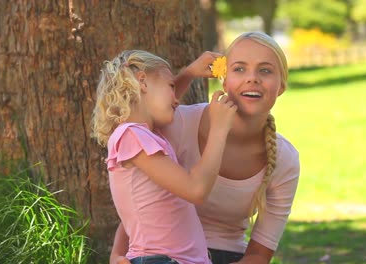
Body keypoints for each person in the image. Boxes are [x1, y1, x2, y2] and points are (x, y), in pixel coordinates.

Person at [110, 31, 300, 264]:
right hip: (166, 256)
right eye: (239, 68)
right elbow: (140, 193)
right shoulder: (178, 123)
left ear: (281, 86)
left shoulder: (285, 160)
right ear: (224, 79)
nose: (252, 78)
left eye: (265, 70)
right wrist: (117, 255)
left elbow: (259, 255)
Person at [92, 50, 237, 264]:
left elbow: (136, 208)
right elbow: (196, 189)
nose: (177, 100)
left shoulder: (145, 136)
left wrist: (188, 73)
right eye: (171, 87)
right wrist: (219, 128)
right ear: (142, 81)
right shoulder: (132, 136)